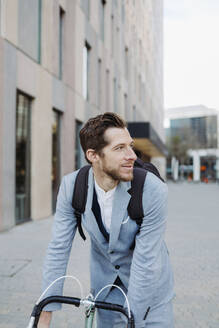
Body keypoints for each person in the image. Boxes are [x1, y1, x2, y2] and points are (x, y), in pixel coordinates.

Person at [39, 112, 174, 328]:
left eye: (130, 145)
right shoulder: (71, 187)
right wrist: (45, 311)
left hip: (151, 296)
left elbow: (146, 262)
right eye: (119, 148)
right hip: (106, 291)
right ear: (93, 155)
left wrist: (135, 321)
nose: (132, 155)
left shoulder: (152, 189)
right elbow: (58, 248)